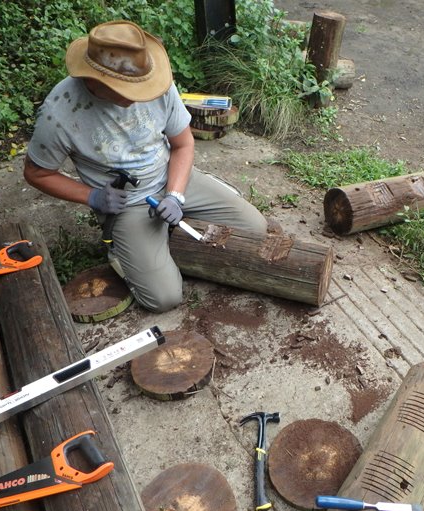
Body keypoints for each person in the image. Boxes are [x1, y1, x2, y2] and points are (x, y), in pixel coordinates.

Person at [24, 20, 267, 312]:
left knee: (256, 229)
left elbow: (183, 144)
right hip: (129, 204)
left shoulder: (154, 81)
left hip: (173, 178)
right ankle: (127, 249)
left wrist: (175, 195)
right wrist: (92, 196)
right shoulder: (60, 112)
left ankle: (173, 225)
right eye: (130, 88)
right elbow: (36, 172)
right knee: (163, 298)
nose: (142, 93)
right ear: (95, 81)